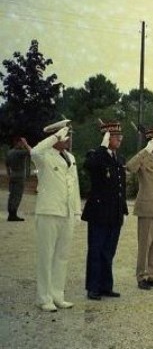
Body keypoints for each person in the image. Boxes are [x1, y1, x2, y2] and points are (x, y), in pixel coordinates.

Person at [31, 119, 80, 312]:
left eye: (68, 135)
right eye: (65, 135)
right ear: (56, 136)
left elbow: (74, 185)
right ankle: (43, 298)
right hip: (49, 211)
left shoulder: (70, 157)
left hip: (66, 212)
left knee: (62, 256)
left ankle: (57, 294)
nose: (68, 139)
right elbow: (33, 151)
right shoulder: (44, 156)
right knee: (46, 255)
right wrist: (54, 136)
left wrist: (76, 210)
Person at [82, 122, 128, 300]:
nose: (120, 140)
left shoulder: (118, 158)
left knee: (109, 251)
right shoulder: (97, 155)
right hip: (99, 213)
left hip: (114, 213)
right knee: (96, 250)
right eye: (116, 137)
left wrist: (122, 209)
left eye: (120, 137)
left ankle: (105, 285)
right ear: (107, 138)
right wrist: (102, 147)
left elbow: (120, 187)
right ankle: (93, 287)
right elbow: (90, 166)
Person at [126, 128, 153, 290]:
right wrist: (145, 150)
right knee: (145, 245)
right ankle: (142, 276)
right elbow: (130, 167)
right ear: (152, 142)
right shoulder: (144, 158)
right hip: (148, 209)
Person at [6, 136, 31, 221]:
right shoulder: (20, 153)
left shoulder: (10, 152)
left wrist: (9, 174)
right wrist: (26, 144)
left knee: (11, 195)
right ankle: (13, 214)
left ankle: (10, 213)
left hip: (13, 174)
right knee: (17, 195)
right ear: (18, 143)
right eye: (21, 143)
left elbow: (7, 165)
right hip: (20, 176)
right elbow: (31, 152)